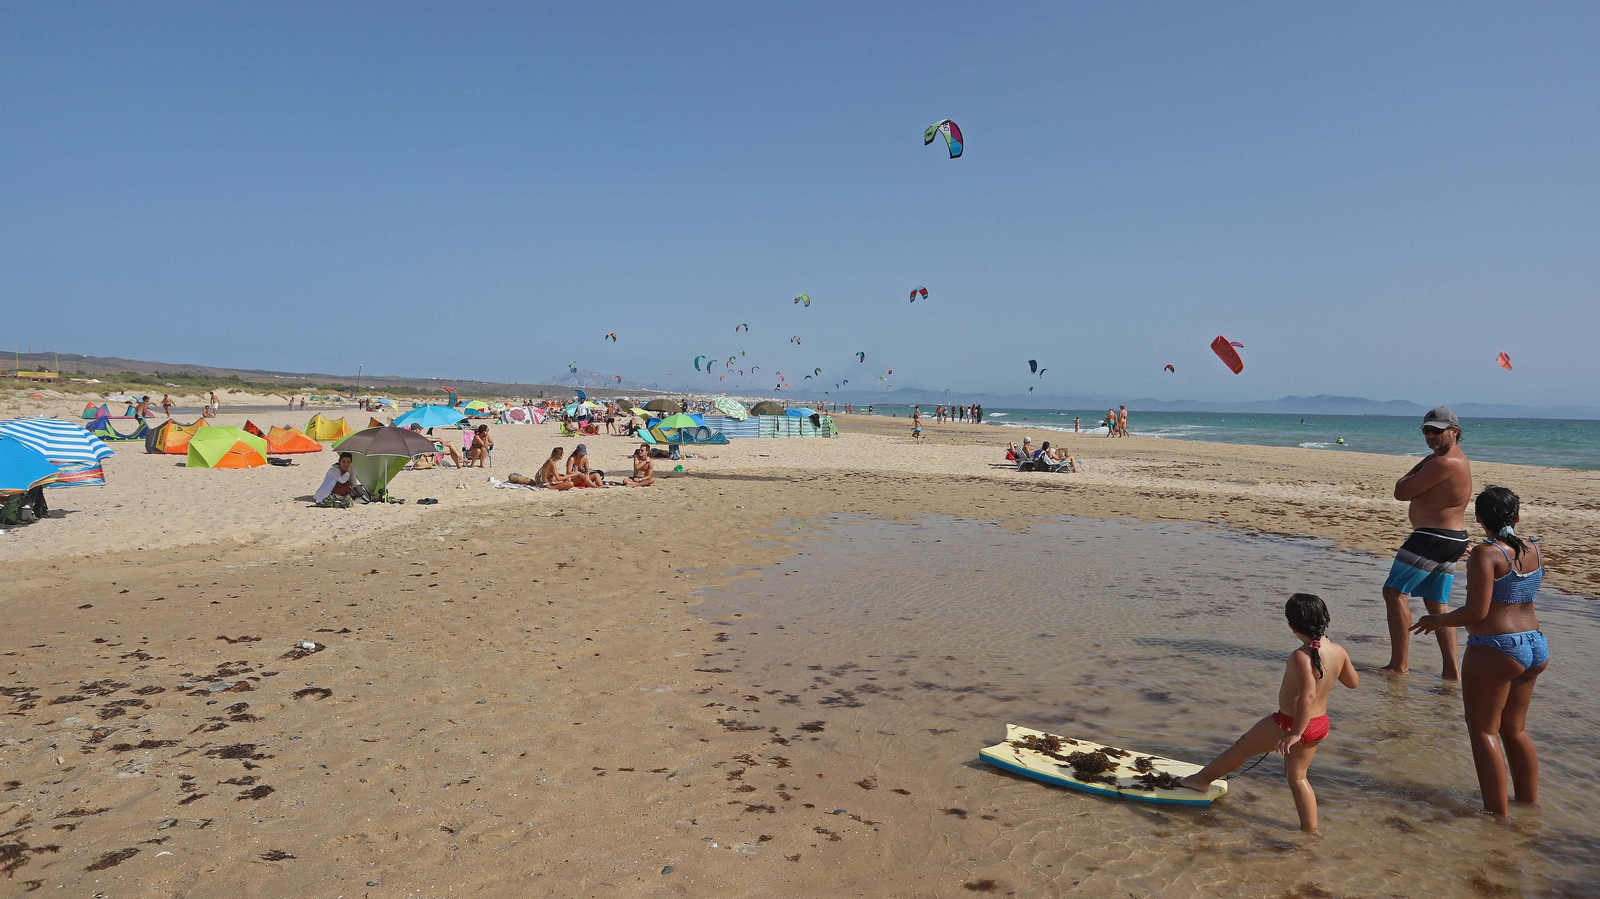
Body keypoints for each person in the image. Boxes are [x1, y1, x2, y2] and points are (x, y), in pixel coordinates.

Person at [1412, 486, 1546, 817]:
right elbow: (1510, 578)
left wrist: (1437, 620)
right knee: (1515, 730)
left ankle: (1496, 817)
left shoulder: (1486, 554)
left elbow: (1476, 613)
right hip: (1536, 644)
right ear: (1516, 516)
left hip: (1496, 647)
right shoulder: (1534, 548)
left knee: (1483, 730)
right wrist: (1480, 556)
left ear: (1478, 518)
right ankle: (1529, 806)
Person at [1179, 594, 1358, 833]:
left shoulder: (1301, 656)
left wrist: (1295, 733)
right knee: (1297, 778)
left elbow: (1308, 696)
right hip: (1319, 725)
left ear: (1292, 626)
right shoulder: (1337, 650)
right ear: (1325, 619)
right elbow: (1353, 682)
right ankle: (1310, 831)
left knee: (1242, 747)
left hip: (1290, 724)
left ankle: (1200, 781)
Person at [1381, 407, 1473, 679]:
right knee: (1436, 602)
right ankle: (1451, 672)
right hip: (1452, 538)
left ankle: (1399, 665)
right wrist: (1427, 461)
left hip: (1433, 537)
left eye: (1437, 430)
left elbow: (1401, 491)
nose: (1430, 435)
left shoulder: (1442, 462)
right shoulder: (1452, 459)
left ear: (1454, 432)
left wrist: (1420, 465)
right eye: (1426, 430)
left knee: (1394, 592)